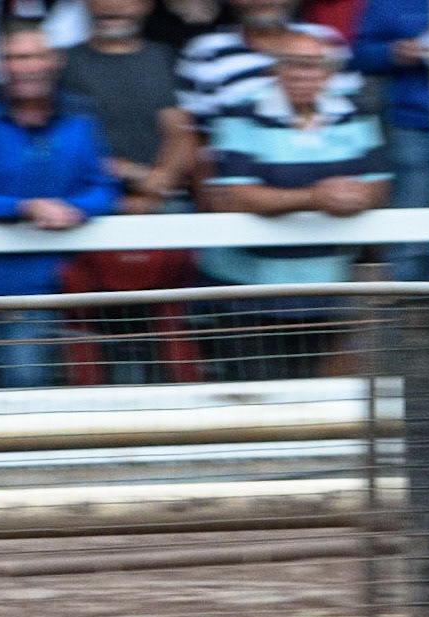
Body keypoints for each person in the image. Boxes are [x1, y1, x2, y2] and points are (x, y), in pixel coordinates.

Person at [198, 28, 390, 377]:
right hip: (251, 289)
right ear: (275, 68)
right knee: (259, 395)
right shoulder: (242, 113)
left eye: (313, 65)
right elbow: (235, 193)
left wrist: (359, 196)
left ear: (329, 72)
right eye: (293, 64)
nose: (303, 73)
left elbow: (379, 182)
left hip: (328, 283)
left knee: (323, 397)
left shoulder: (355, 110)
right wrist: (315, 197)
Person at [0, 21, 119, 388]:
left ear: (54, 60)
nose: (24, 67)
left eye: (34, 56)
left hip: (38, 284)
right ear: (1, 65)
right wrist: (23, 207)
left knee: (24, 388)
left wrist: (75, 209)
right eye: (14, 58)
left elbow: (103, 188)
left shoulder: (79, 119)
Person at [61, 0, 196, 213]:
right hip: (86, 200)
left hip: (164, 201)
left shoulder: (166, 58)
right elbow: (60, 142)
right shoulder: (63, 64)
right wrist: (132, 174)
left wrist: (154, 192)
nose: (113, 5)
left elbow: (181, 134)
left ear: (147, 5)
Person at [175, 0, 358, 135]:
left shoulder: (326, 40)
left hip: (332, 173)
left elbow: (355, 120)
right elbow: (194, 138)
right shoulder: (206, 51)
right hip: (237, 178)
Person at [353, 0, 429, 280]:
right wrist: (394, 52)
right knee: (413, 231)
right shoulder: (386, 4)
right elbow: (360, 54)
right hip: (413, 125)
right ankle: (408, 312)